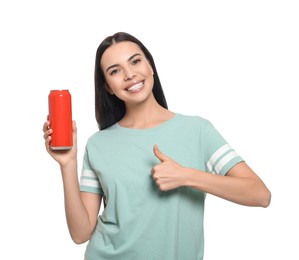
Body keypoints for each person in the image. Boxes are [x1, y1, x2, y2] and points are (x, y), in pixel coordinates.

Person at [43, 32, 271, 260]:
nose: (130, 74)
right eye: (115, 70)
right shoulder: (98, 144)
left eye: (135, 61)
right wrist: (68, 164)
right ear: (108, 87)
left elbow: (260, 194)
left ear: (150, 66)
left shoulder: (198, 130)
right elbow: (80, 233)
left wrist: (186, 176)